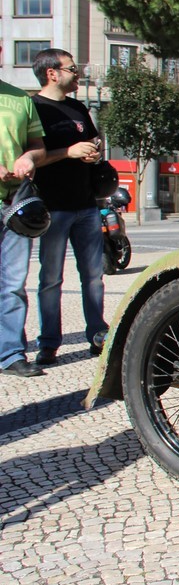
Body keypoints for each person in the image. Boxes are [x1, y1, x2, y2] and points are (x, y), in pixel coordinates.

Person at [30, 49, 107, 365]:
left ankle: (98, 335)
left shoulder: (78, 108)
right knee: (51, 279)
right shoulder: (34, 108)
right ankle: (49, 343)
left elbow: (94, 141)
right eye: (72, 69)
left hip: (86, 205)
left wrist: (93, 152)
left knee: (94, 276)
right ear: (52, 73)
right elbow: (31, 158)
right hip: (53, 208)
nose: (77, 74)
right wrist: (68, 152)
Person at [0, 44, 48, 376]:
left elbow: (38, 146)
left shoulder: (20, 99)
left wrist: (30, 158)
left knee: (14, 283)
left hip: (14, 203)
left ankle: (11, 353)